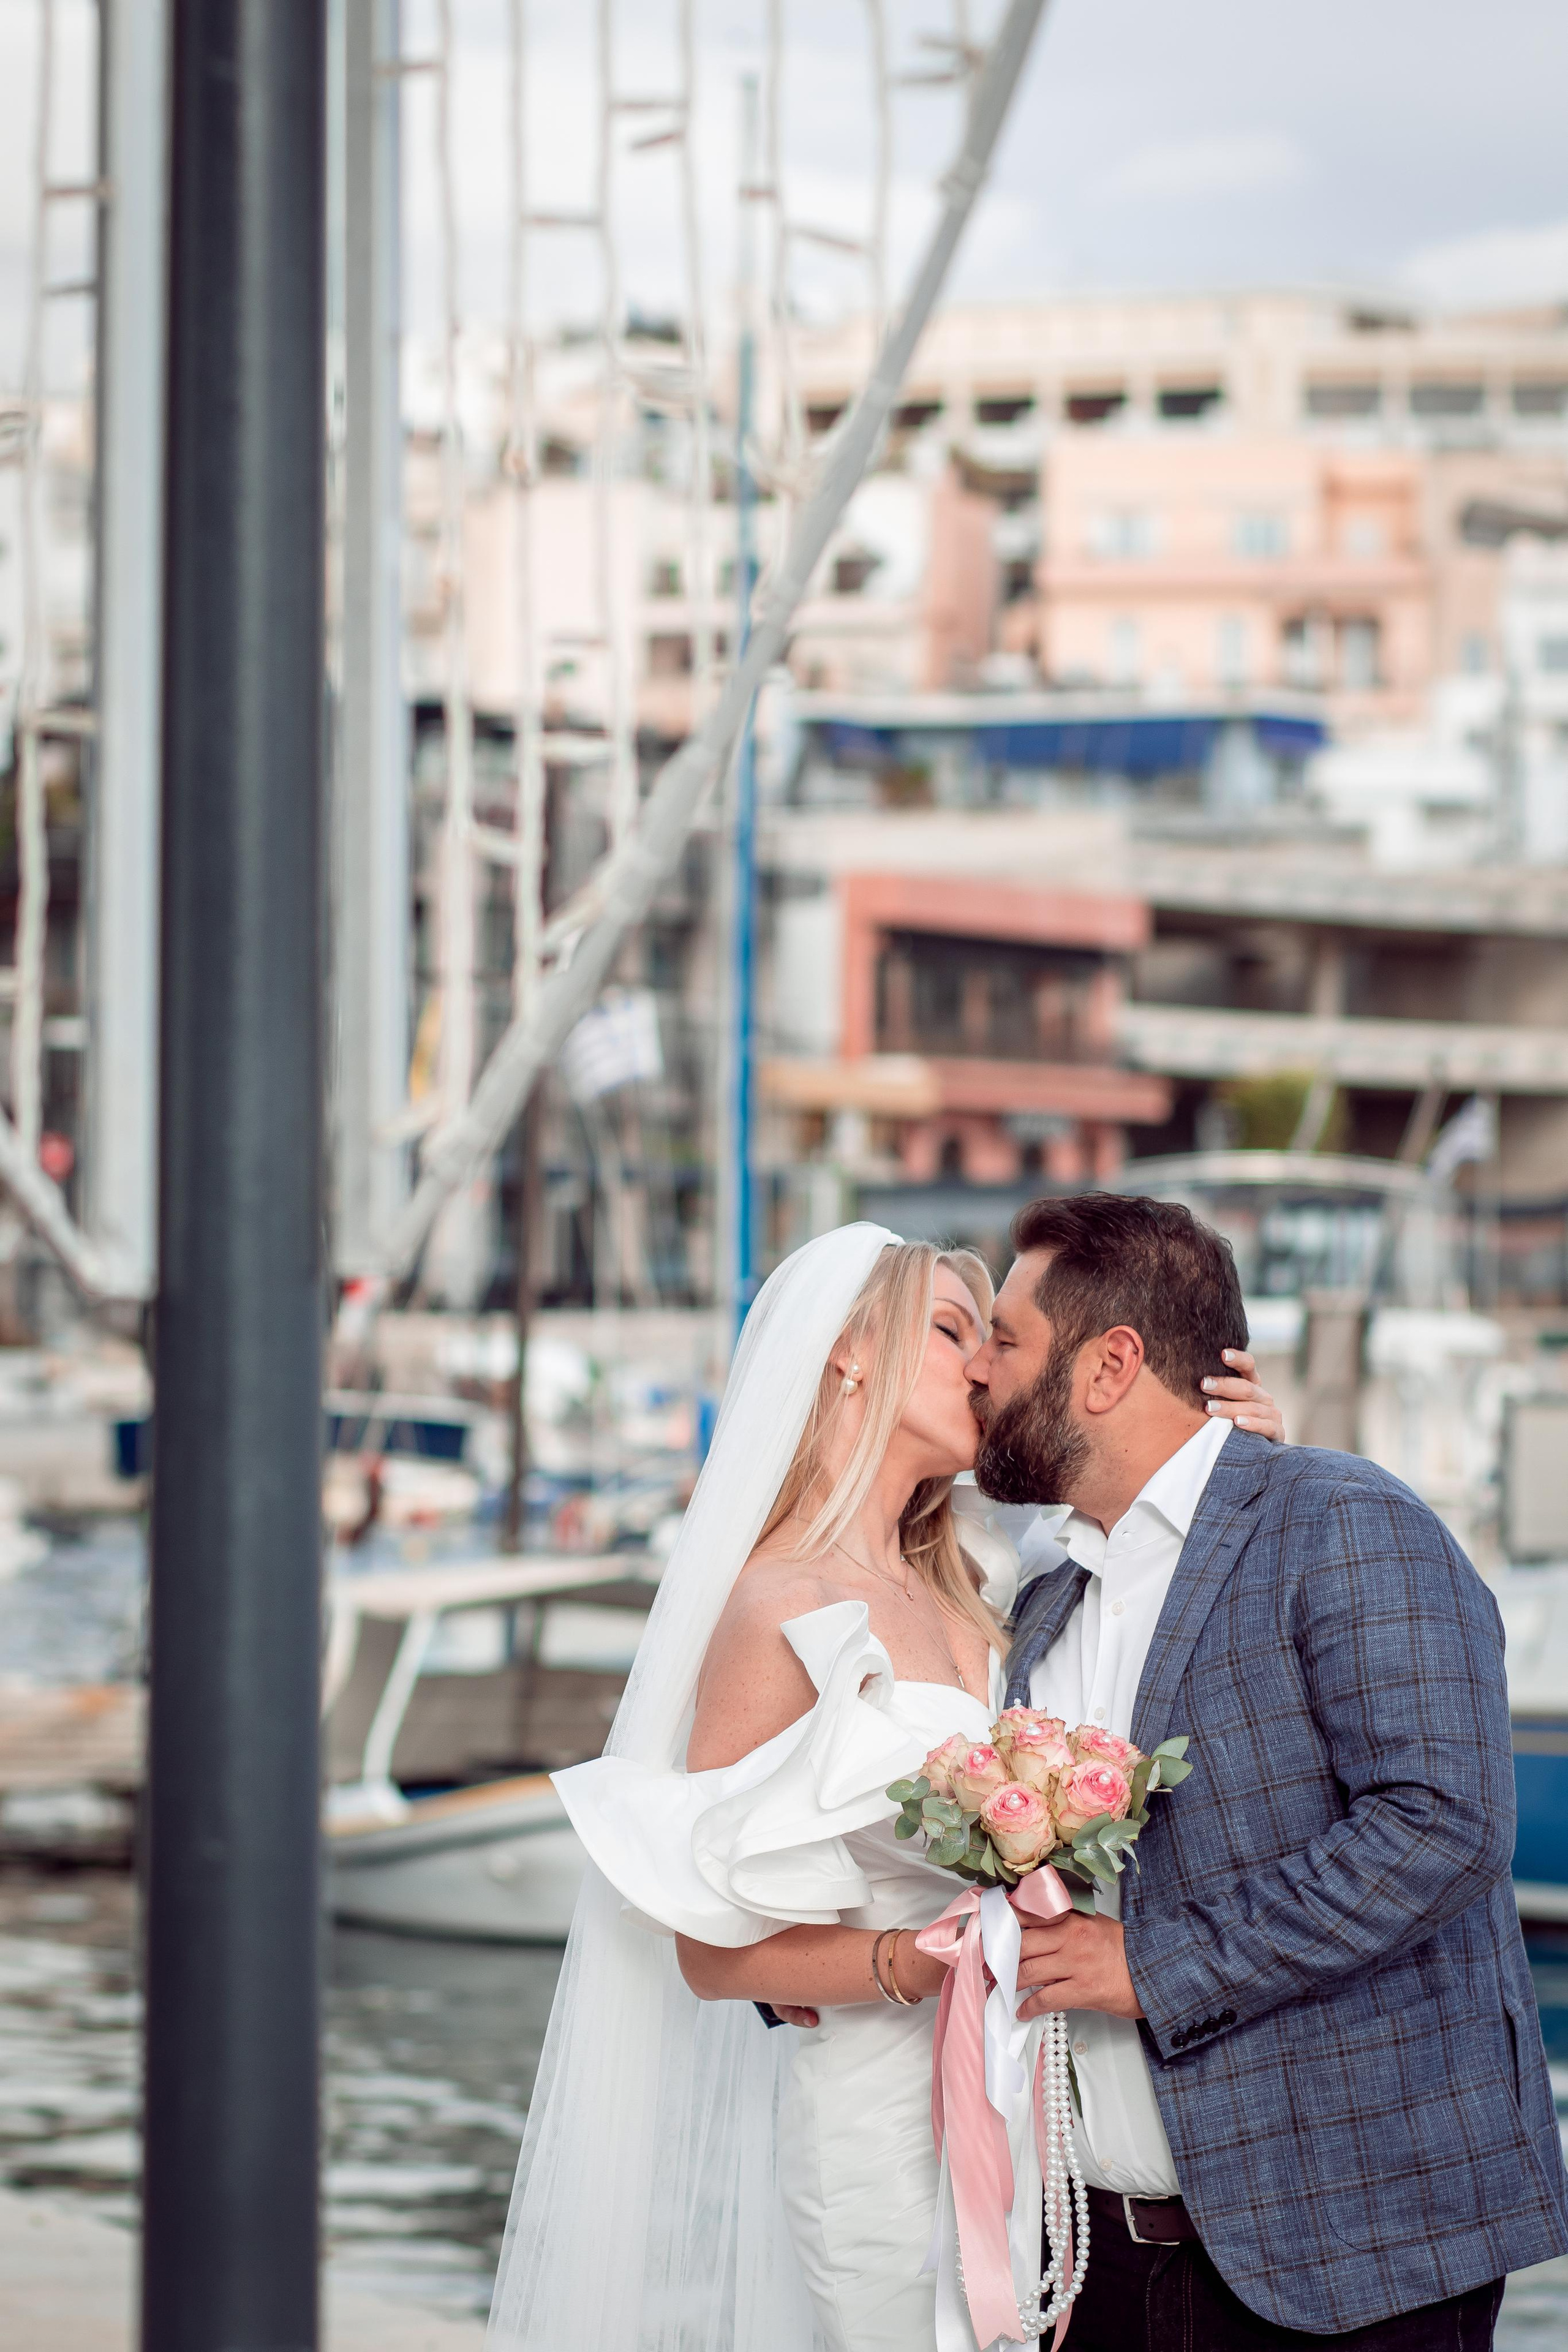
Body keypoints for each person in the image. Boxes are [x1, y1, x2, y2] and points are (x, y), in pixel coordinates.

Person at [486, 1222, 1282, 2352]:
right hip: (883, 2118)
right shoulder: (776, 1606)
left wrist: (1235, 1466)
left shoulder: (998, 1584)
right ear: (848, 1357)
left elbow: (1166, 1616)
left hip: (1041, 2111)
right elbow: (712, 1953)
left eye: (991, 1339)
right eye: (955, 1332)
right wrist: (911, 1963)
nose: (983, 1366)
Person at [964, 1192, 1568, 2351]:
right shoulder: (1049, 1596)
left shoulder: (1344, 1520)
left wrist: (1156, 1964)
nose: (983, 1372)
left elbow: (1441, 1825)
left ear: (1111, 1365)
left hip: (1351, 2260)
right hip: (1093, 2268)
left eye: (1005, 1338)